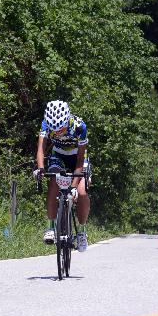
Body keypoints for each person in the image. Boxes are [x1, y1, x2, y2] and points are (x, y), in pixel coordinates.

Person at [33, 100, 91, 252]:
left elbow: (79, 160)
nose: (57, 132)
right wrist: (40, 168)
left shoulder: (79, 126)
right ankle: (51, 226)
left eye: (61, 129)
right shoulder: (46, 123)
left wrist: (73, 186)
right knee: (54, 182)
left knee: (82, 193)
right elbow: (41, 149)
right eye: (55, 130)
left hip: (77, 158)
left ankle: (82, 231)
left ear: (67, 120)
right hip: (58, 155)